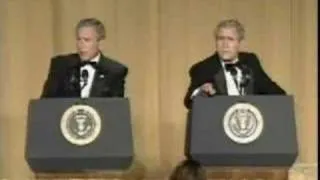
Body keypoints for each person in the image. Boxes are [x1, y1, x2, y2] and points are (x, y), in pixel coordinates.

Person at [184, 19, 286, 109]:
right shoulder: (203, 68)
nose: (225, 45)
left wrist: (285, 101)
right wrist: (200, 92)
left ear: (240, 43)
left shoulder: (251, 61)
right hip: (217, 127)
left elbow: (272, 91)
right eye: (221, 39)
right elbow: (188, 102)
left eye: (230, 39)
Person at [41, 18, 128, 98]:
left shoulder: (115, 71)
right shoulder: (61, 65)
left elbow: (115, 109)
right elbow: (46, 103)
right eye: (79, 39)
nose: (81, 45)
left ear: (100, 43)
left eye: (87, 40)